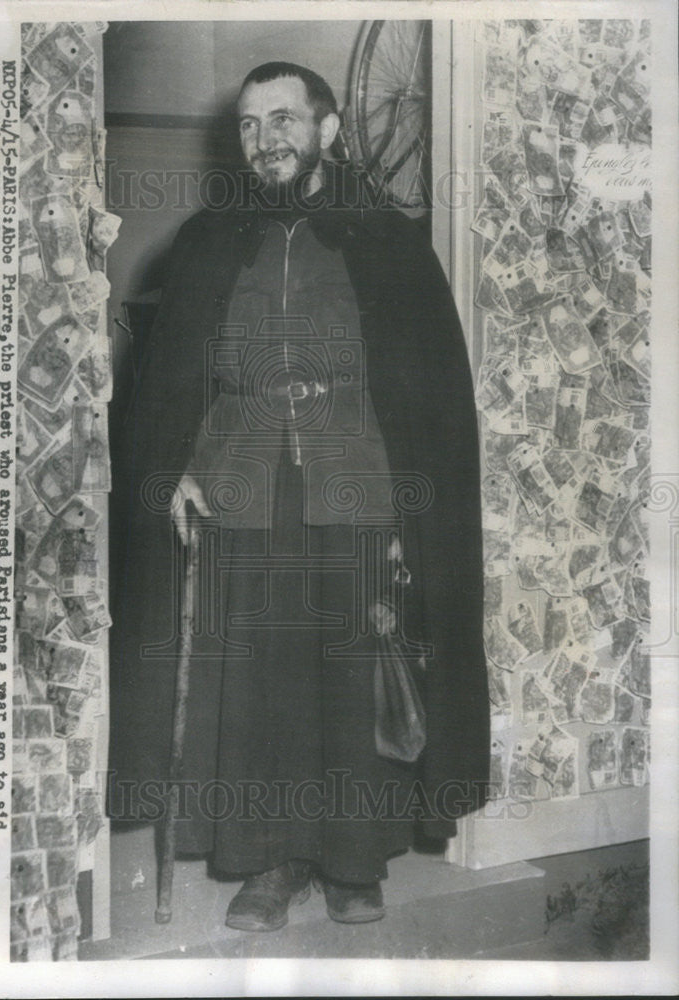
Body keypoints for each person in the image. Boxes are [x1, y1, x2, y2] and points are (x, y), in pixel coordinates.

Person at [109, 61, 490, 932]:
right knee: (257, 682)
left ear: (325, 130)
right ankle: (269, 862)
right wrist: (173, 470)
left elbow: (428, 386)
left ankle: (354, 864)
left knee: (354, 676)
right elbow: (170, 381)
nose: (265, 139)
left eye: (284, 119)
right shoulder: (209, 239)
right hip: (241, 478)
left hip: (354, 474)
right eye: (249, 125)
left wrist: (410, 502)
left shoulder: (386, 239)